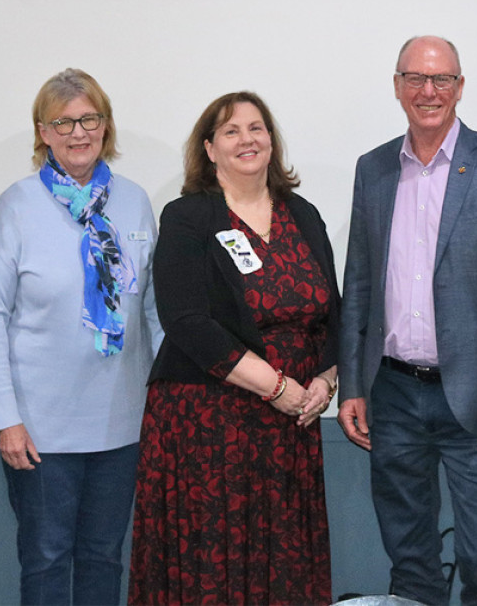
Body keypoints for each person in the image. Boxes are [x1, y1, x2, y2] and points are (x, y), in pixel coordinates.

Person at [337, 35, 477, 605]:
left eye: (442, 80)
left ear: (460, 86)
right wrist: (353, 384)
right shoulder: (374, 168)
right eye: (415, 79)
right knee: (409, 556)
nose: (428, 92)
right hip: (395, 393)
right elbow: (358, 283)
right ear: (397, 85)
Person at [128, 91, 339, 605]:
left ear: (271, 140)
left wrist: (325, 380)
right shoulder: (188, 217)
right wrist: (278, 388)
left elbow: (333, 309)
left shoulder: (303, 214)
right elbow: (186, 320)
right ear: (210, 148)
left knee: (283, 562)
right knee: (210, 565)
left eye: (256, 128)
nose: (247, 139)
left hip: (290, 429)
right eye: (231, 131)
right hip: (206, 425)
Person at [0, 68, 162, 605]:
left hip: (121, 423)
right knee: (47, 559)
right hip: (39, 430)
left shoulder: (133, 201)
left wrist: (162, 403)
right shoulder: (17, 205)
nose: (78, 133)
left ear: (105, 125)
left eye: (89, 118)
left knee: (105, 557)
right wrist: (6, 418)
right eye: (63, 122)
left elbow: (151, 310)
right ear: (43, 132)